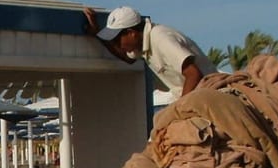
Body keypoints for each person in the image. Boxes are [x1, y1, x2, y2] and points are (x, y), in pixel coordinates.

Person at [83, 6, 217, 99]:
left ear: (132, 33)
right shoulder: (143, 44)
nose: (118, 45)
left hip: (210, 93)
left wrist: (181, 109)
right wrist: (97, 34)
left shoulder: (161, 39)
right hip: (194, 96)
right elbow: (126, 58)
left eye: (117, 40)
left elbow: (193, 74)